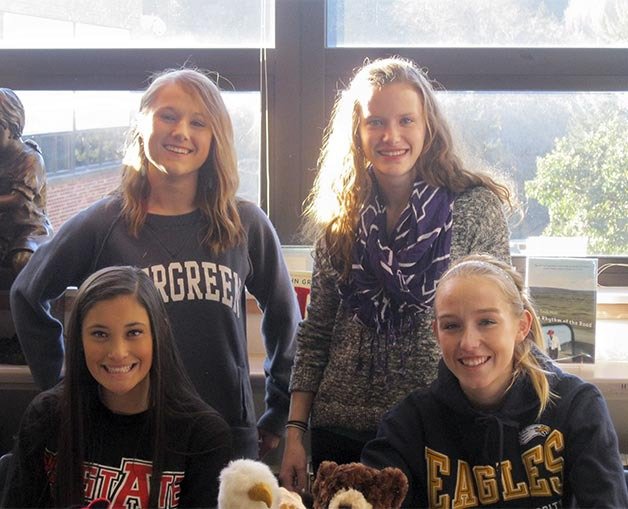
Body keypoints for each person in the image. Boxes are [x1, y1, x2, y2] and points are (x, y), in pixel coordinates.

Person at [10, 68, 300, 460]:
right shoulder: (101, 224)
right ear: (142, 123)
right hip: (123, 438)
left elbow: (286, 318)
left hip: (224, 434)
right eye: (168, 116)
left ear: (215, 138)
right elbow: (27, 293)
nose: (181, 131)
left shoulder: (244, 223)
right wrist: (62, 385)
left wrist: (279, 410)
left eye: (198, 122)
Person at [280, 56, 512, 492]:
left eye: (406, 119)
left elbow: (501, 320)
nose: (391, 136)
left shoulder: (475, 207)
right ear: (357, 132)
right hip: (341, 431)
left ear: (428, 127)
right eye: (376, 122)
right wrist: (295, 431)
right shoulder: (339, 219)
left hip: (442, 428)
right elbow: (316, 333)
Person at [361, 254, 628, 508]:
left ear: (522, 326)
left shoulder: (577, 406)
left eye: (487, 321)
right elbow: (364, 494)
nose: (468, 343)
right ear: (436, 333)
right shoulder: (408, 424)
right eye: (451, 325)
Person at [1, 266, 233, 508]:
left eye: (134, 332)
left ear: (158, 332)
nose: (118, 353)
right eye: (99, 334)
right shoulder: (46, 416)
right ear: (79, 339)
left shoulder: (204, 436)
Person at [0, 88, 52, 279]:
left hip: (29, 229)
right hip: (3, 229)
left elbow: (18, 200)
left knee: (22, 261)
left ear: (12, 126)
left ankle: (31, 307)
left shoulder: (30, 159)